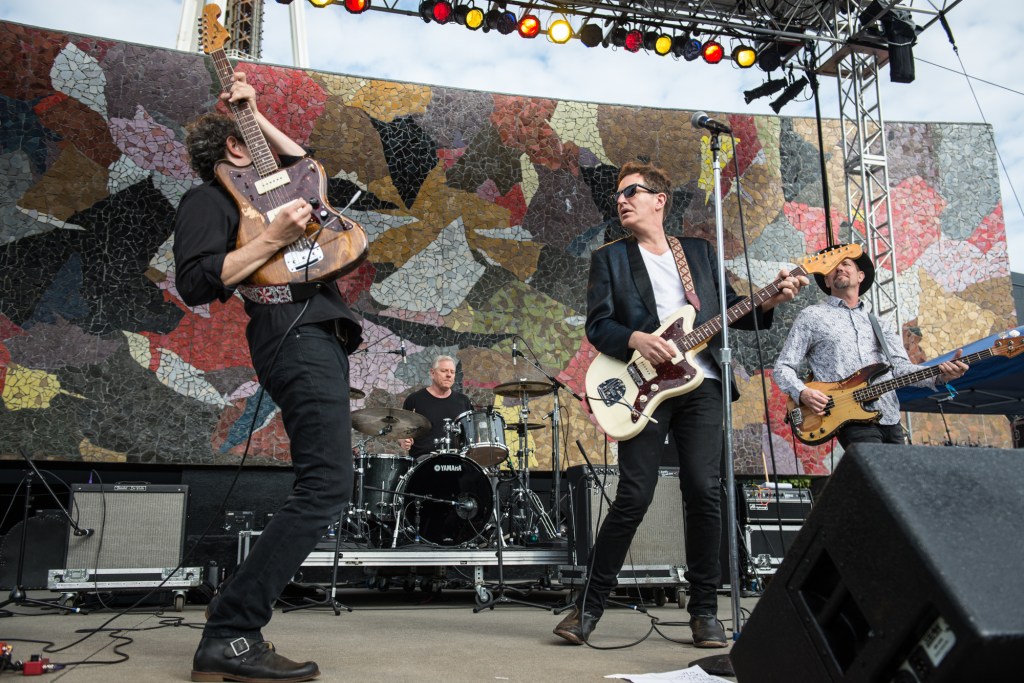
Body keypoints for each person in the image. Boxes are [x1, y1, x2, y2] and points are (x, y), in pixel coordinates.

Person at [554, 161, 808, 648]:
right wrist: (636, 338)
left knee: (703, 491)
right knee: (633, 494)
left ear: (659, 199)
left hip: (704, 383)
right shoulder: (610, 258)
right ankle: (587, 609)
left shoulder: (699, 252)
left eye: (631, 192)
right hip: (644, 388)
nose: (622, 200)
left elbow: (734, 312)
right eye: (618, 195)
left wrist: (772, 300)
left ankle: (705, 613)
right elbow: (598, 326)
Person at [174, 72, 362, 683]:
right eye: (247, 138)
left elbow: (304, 163)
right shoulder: (209, 201)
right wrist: (273, 240)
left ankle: (232, 629)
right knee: (328, 483)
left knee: (327, 482)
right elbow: (198, 281)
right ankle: (230, 631)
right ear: (234, 150)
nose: (264, 150)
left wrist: (253, 111)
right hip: (290, 332)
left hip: (319, 336)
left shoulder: (277, 185)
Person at [774, 249, 968, 448]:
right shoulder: (812, 316)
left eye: (846, 264)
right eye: (832, 267)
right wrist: (803, 392)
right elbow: (783, 368)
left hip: (890, 416)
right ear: (827, 282)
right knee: (874, 475)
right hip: (849, 418)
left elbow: (900, 369)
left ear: (860, 276)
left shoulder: (879, 324)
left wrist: (940, 375)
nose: (839, 268)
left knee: (897, 479)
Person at [398, 355, 473, 458]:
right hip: (423, 462)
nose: (449, 375)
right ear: (432, 373)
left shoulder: (463, 401)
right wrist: (402, 440)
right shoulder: (415, 400)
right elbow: (400, 431)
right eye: (444, 371)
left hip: (457, 461)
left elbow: (471, 433)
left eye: (452, 372)